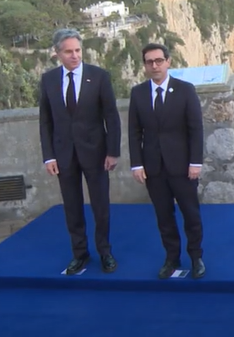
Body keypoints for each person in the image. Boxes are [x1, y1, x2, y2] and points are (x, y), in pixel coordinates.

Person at [38, 28, 121, 275]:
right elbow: (45, 121)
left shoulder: (99, 77)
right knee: (72, 207)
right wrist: (49, 156)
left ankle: (105, 252)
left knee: (100, 206)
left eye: (77, 50)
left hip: (96, 153)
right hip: (64, 155)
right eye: (68, 51)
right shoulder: (49, 80)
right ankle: (80, 254)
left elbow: (111, 117)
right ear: (57, 54)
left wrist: (112, 152)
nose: (74, 55)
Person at [128, 44, 206, 279]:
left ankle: (196, 257)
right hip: (154, 167)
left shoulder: (185, 90)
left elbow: (196, 129)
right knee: (163, 215)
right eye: (150, 62)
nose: (155, 65)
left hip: (183, 166)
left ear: (168, 62)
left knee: (190, 213)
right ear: (144, 66)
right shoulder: (138, 93)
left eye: (159, 60)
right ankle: (171, 257)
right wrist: (137, 164)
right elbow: (134, 132)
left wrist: (195, 162)